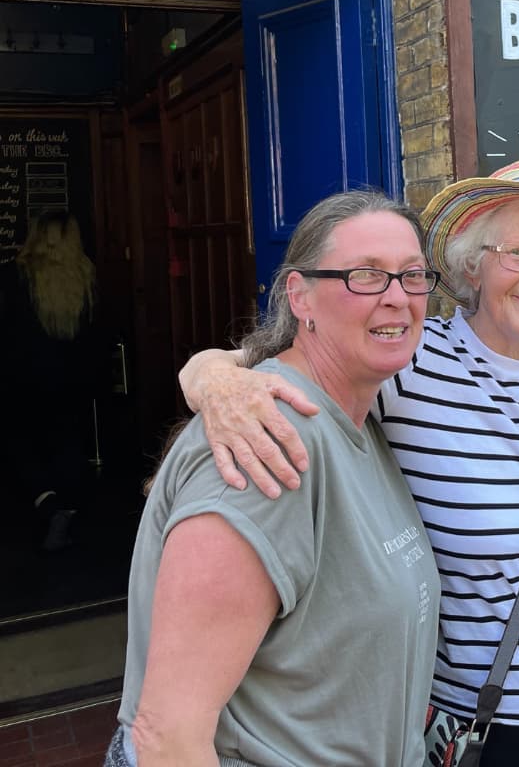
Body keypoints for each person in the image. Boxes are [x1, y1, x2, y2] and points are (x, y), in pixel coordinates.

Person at [179, 161, 519, 767]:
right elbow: (253, 367)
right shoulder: (408, 361)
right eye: (517, 253)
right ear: (473, 263)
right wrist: (213, 379)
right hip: (491, 724)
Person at [104, 190, 441, 766]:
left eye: (412, 276)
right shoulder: (265, 445)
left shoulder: (355, 413)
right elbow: (167, 736)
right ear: (299, 295)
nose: (397, 297)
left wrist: (212, 367)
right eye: (365, 275)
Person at [0, 210, 102, 550]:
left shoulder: (14, 276)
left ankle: (47, 502)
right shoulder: (86, 276)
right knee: (68, 442)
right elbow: (95, 333)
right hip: (72, 379)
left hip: (22, 378)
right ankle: (68, 508)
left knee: (22, 443)